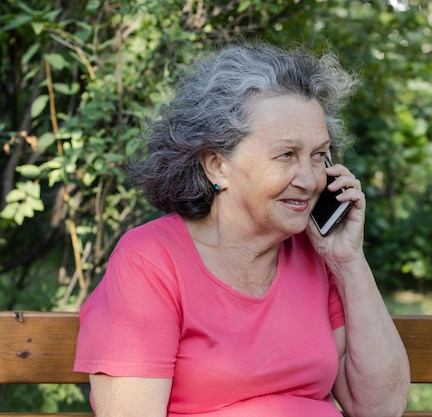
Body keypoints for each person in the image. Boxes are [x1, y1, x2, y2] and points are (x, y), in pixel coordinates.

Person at [74, 41, 410, 417]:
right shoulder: (150, 261)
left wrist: (349, 263)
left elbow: (381, 409)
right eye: (286, 155)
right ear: (218, 165)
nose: (310, 179)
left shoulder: (316, 255)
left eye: (319, 155)